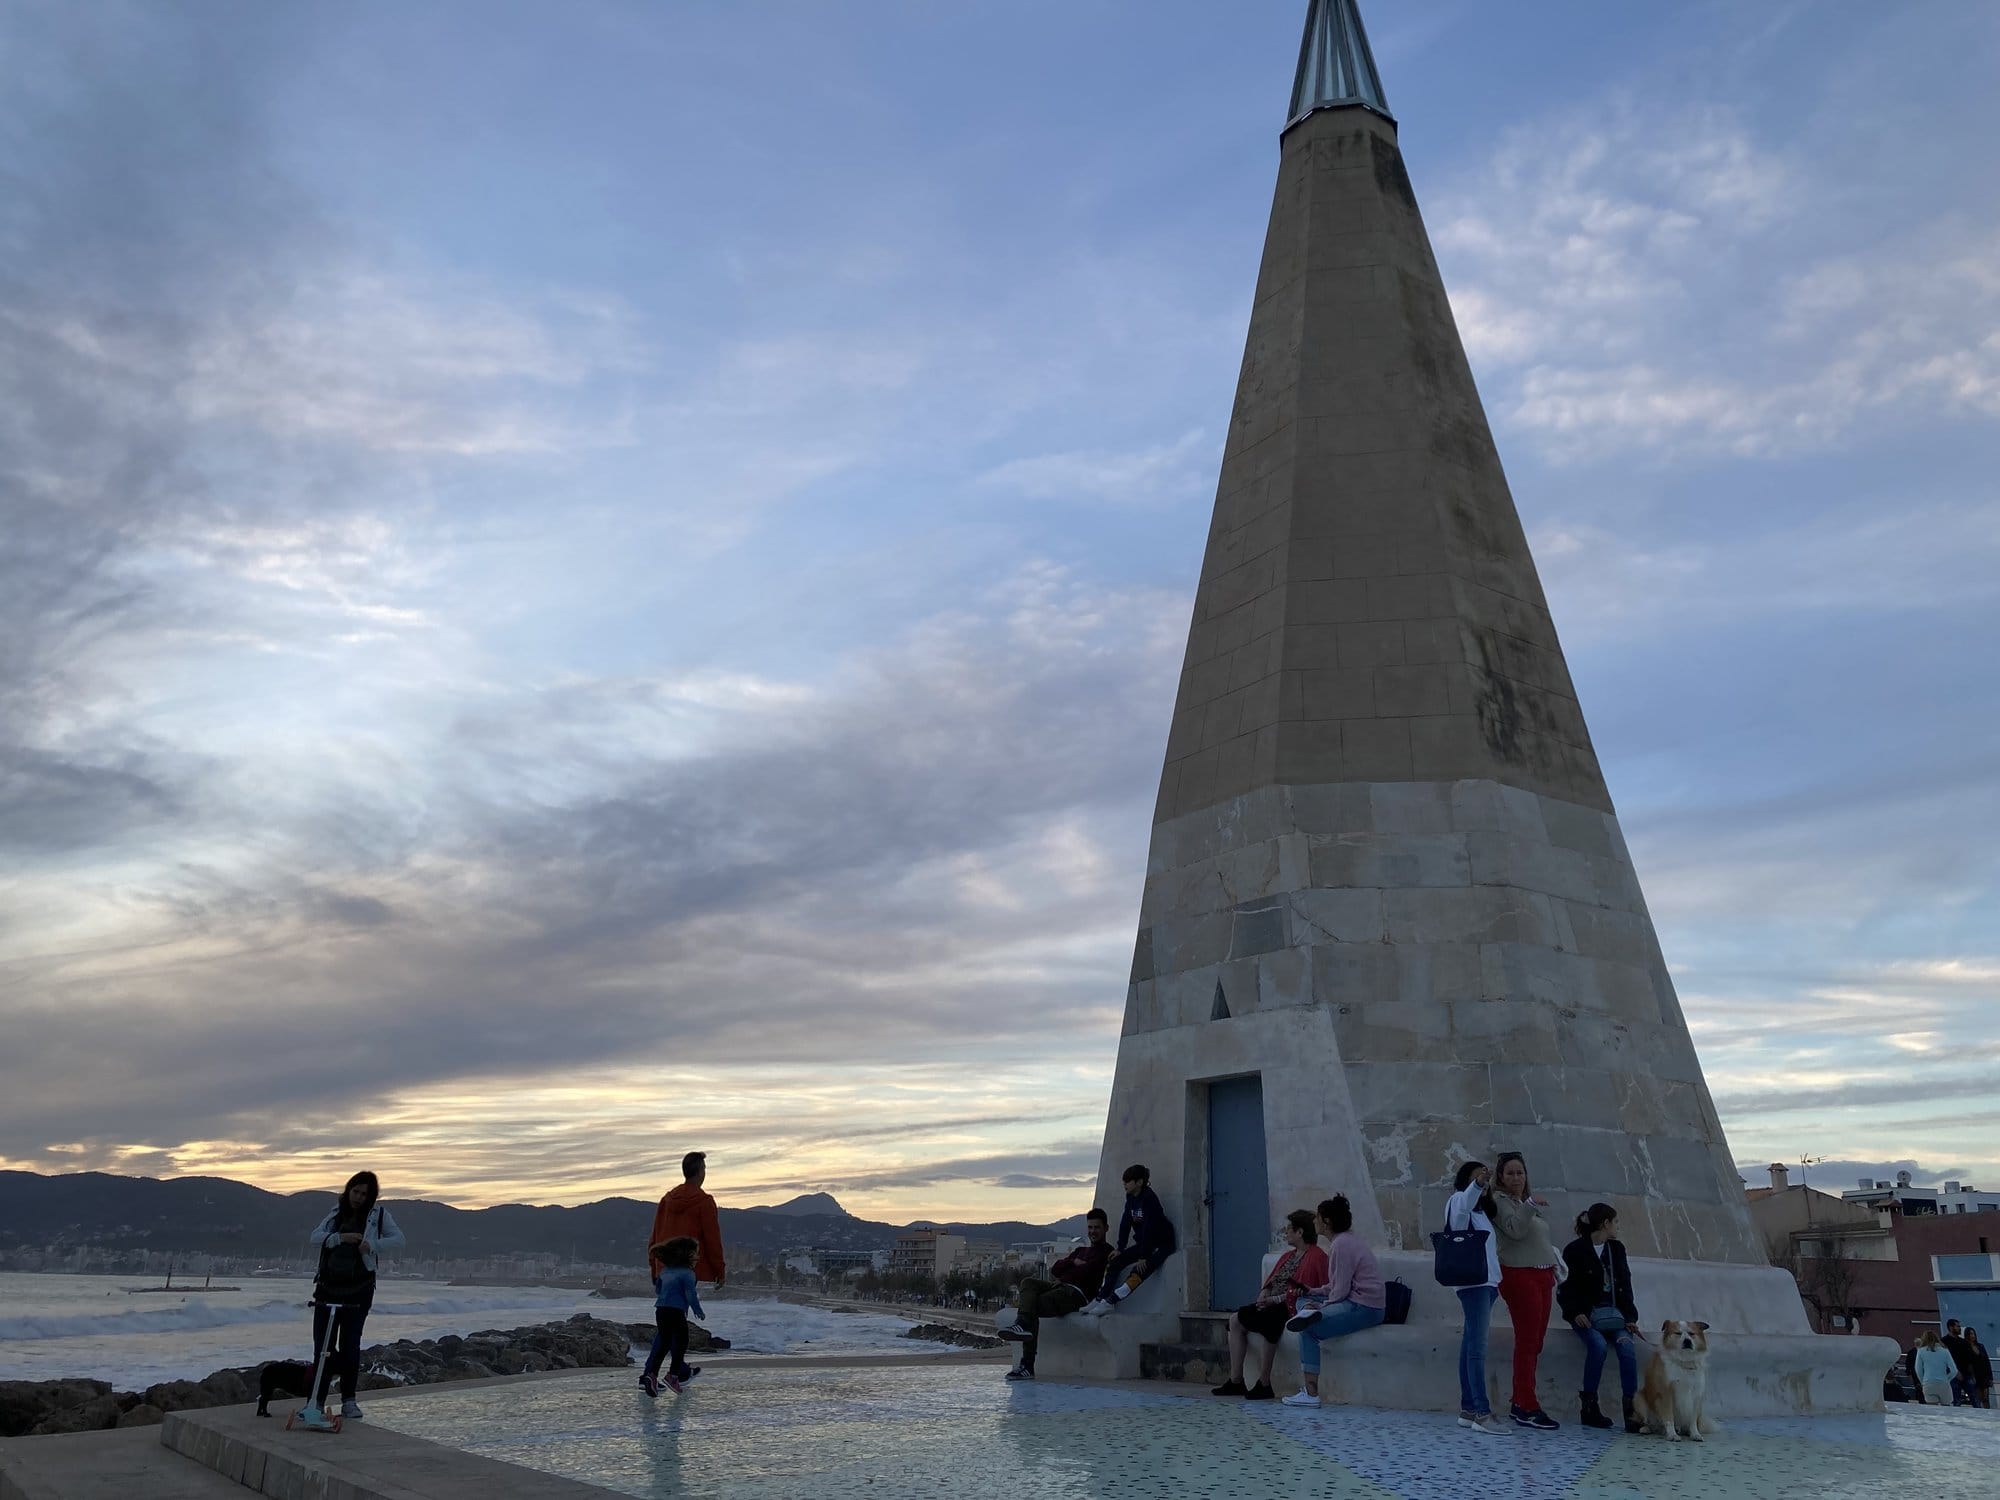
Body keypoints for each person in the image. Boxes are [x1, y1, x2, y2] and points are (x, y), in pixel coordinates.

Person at [293, 1170, 406, 1430]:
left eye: (364, 1194)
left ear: (371, 1196)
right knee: (323, 1346)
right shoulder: (335, 1213)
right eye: (355, 1191)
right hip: (327, 1288)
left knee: (350, 1345)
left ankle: (349, 1400)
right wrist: (339, 1238)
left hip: (360, 1289)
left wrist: (372, 1244)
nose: (358, 1197)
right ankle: (315, 1402)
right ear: (348, 1190)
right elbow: (315, 1237)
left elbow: (399, 1240)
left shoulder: (378, 1216)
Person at [1281, 1194, 1386, 1408]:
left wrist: (1322, 1305)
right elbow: (1335, 1285)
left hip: (1364, 1307)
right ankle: (1308, 1310)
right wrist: (1313, 1292)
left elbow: (1340, 1292)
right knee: (1305, 1299)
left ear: (1326, 1221)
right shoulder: (1345, 1241)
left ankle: (1311, 1394)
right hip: (1355, 1301)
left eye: (1318, 1217)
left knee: (1308, 1330)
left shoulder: (1342, 1245)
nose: (1315, 1221)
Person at [1210, 1210, 1327, 1401]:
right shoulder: (1288, 1256)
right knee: (1235, 1320)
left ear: (1300, 1232)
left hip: (1291, 1305)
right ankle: (1236, 1380)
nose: (1286, 1232)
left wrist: (1274, 1299)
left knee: (1270, 1322)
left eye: (1289, 1229)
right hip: (1272, 1303)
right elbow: (1272, 1280)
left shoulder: (1316, 1256)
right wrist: (1265, 1293)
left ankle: (1264, 1382)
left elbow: (1308, 1290)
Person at [1558, 1203, 1643, 1434]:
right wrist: (1576, 1312)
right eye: (1615, 1222)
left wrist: (1630, 1317)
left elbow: (1625, 1283)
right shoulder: (1575, 1250)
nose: (1617, 1227)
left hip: (1615, 1315)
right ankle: (1589, 1407)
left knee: (1627, 1348)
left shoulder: (1616, 1249)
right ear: (1605, 1223)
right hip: (1587, 1315)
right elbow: (1566, 1286)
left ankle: (1632, 1411)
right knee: (1597, 1345)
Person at [1490, 1151, 1561, 1431]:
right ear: (1501, 1176)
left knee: (1536, 1340)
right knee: (1528, 1341)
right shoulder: (1500, 1201)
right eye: (1510, 1173)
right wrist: (1530, 1205)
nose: (1516, 1178)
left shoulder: (1523, 1202)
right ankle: (1526, 1405)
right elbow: (1515, 1230)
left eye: (1520, 1172)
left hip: (1542, 1275)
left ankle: (1520, 1399)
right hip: (1519, 1275)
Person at [998, 1208, 1112, 1381]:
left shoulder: (1107, 1252)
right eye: (1090, 1227)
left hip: (1075, 1294)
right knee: (1028, 1282)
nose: (1093, 1231)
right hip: (1057, 1286)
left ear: (1106, 1228)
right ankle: (1021, 1324)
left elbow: (1088, 1273)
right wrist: (1073, 1262)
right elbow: (1056, 1269)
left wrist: (1071, 1268)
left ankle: (1027, 1365)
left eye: (1097, 1227)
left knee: (1033, 1305)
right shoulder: (1080, 1251)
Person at [1444, 1161, 1506, 1435]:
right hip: (1474, 1285)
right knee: (1477, 1349)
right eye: (1476, 1178)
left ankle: (1468, 1408)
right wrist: (1477, 1184)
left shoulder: (1480, 1213)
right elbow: (1463, 1207)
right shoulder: (1459, 1201)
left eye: (1485, 1179)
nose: (1483, 1182)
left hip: (1486, 1284)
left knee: (1469, 1345)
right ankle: (1482, 1412)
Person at [1080, 1165, 1176, 1316]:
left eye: (1128, 1181)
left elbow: (1149, 1229)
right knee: (1114, 1262)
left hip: (1162, 1244)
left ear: (1139, 1182)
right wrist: (1120, 1248)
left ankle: (1111, 1302)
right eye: (1124, 1181)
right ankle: (1100, 1299)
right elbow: (1125, 1223)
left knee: (1139, 1271)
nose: (1124, 1184)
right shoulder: (1131, 1199)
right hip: (1145, 1243)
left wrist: (1144, 1256)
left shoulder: (1149, 1200)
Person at [647, 1152, 725, 1288]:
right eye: (704, 1169)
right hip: (694, 1272)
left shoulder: (666, 1200)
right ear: (700, 1172)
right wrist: (719, 1271)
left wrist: (655, 1270)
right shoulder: (704, 1202)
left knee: (670, 1302)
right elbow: (712, 1240)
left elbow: (655, 1238)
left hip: (665, 1271)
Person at [640, 1237, 704, 1396]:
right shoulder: (688, 1274)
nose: (698, 1257)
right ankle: (673, 1376)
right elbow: (690, 1294)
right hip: (676, 1311)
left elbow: (658, 1290)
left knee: (664, 1342)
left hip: (660, 1310)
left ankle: (651, 1375)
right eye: (695, 1254)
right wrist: (697, 1310)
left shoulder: (665, 1271)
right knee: (682, 1341)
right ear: (686, 1255)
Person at [1913, 1330, 1958, 1406]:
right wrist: (1947, 1379)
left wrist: (1923, 1381)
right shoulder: (1945, 1351)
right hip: (1943, 1383)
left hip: (1928, 1383)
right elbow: (1954, 1370)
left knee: (1932, 1410)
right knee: (1947, 1409)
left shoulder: (1921, 1351)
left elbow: (1918, 1369)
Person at [1941, 1319, 1974, 1405]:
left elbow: (1969, 1358)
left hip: (1966, 1374)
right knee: (1956, 1400)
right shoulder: (1944, 1342)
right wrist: (1954, 1372)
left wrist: (1971, 1374)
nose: (1959, 1328)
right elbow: (1944, 1360)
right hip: (1952, 1375)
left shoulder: (1963, 1342)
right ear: (1951, 1327)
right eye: (1958, 1326)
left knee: (1974, 1397)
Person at [1963, 1326, 1993, 1409]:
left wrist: (1990, 1377)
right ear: (1967, 1335)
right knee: (1978, 1399)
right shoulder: (1966, 1347)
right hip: (1974, 1375)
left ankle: (1988, 1414)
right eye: (1970, 1334)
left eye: (1973, 1334)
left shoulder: (1980, 1346)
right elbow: (1967, 1363)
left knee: (1986, 1399)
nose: (1972, 1336)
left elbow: (1987, 1361)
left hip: (1984, 1375)